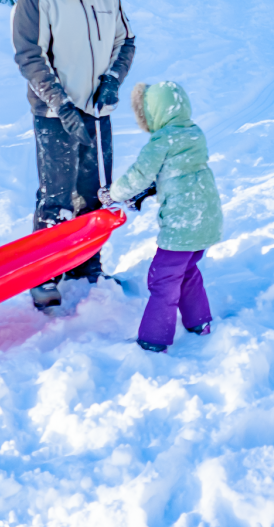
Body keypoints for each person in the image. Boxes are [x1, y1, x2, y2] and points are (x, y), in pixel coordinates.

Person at [12, 0, 136, 311]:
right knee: (56, 195)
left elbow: (125, 40)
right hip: (54, 113)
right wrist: (61, 105)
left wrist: (113, 81)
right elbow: (30, 56)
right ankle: (45, 274)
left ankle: (86, 265)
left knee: (96, 191)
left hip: (98, 109)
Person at [99, 81, 223, 352]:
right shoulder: (193, 133)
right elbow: (180, 169)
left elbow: (139, 174)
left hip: (183, 222)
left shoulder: (161, 140)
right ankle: (199, 322)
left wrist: (113, 194)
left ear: (154, 113)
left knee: (163, 277)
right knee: (187, 269)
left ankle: (154, 340)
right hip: (207, 216)